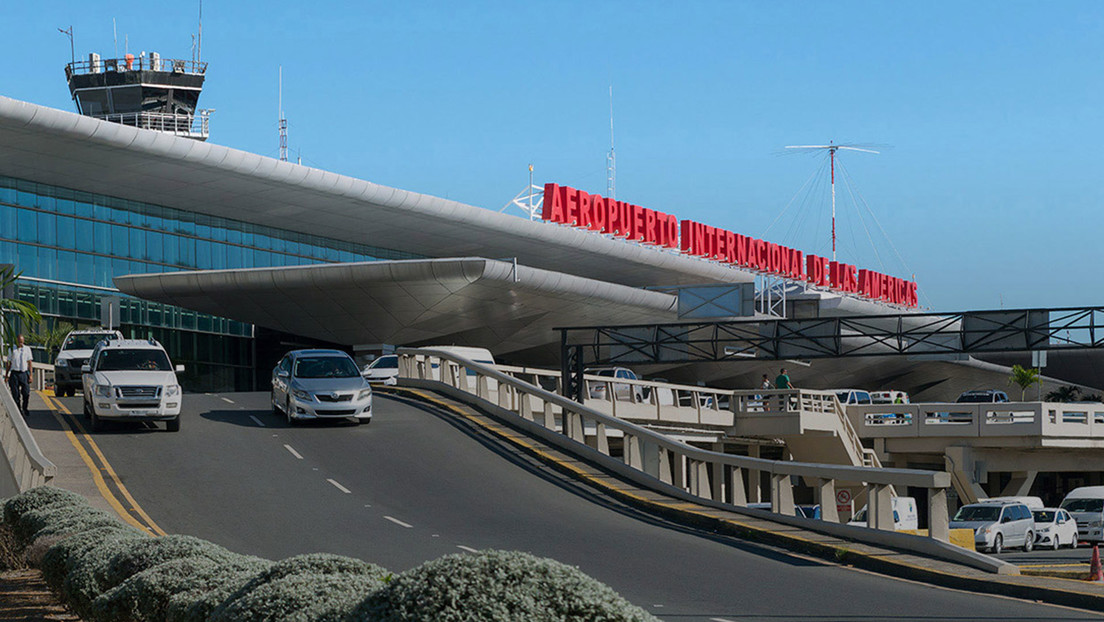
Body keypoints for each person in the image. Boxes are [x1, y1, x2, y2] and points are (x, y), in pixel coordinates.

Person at [5, 334, 33, 418]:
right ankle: (18, 410)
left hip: (23, 373)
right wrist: (6, 375)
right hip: (14, 373)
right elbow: (9, 363)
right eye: (19, 341)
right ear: (16, 340)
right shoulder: (12, 349)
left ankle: (25, 408)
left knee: (26, 392)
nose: (20, 343)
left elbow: (30, 362)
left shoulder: (27, 349)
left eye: (22, 341)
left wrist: (31, 375)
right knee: (15, 394)